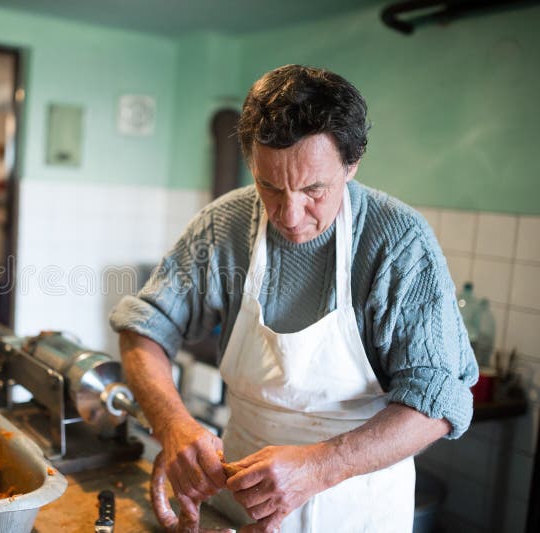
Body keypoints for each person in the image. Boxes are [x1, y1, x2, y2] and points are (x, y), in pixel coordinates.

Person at [110, 65, 477, 532]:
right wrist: (173, 425)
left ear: (352, 163)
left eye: (313, 190)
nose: (289, 214)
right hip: (238, 500)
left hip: (356, 505)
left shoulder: (398, 242)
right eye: (269, 186)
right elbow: (144, 328)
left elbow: (440, 402)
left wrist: (320, 467)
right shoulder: (224, 224)